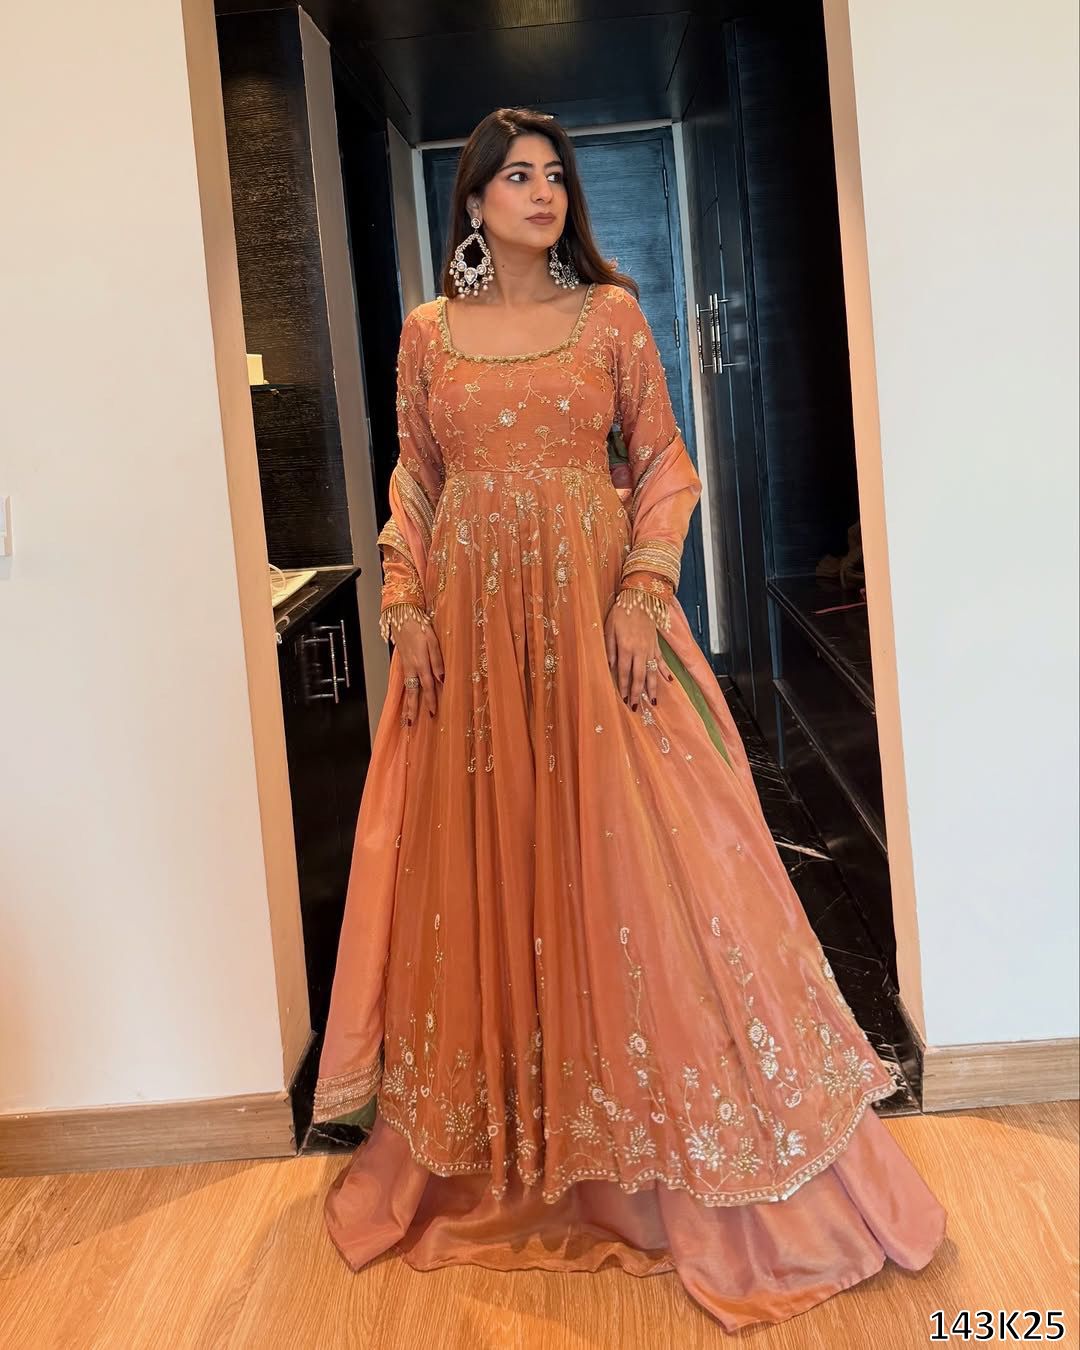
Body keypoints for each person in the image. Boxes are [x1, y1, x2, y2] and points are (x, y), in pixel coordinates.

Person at [311, 106, 946, 1332]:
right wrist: (404, 603)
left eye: (554, 174)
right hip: (473, 645)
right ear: (474, 201)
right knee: (495, 867)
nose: (542, 192)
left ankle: (678, 1148)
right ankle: (517, 1145)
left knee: (652, 867)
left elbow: (661, 462)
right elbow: (417, 480)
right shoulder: (427, 333)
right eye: (516, 176)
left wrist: (643, 594)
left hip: (596, 622)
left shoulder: (611, 315)